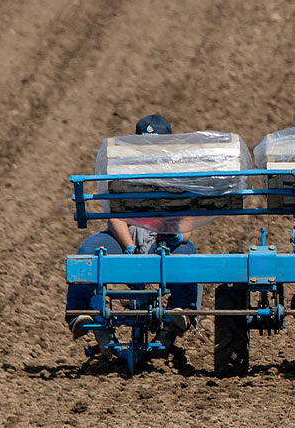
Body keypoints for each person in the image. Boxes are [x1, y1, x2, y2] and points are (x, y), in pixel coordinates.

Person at [67, 114, 200, 341]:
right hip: (124, 236)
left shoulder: (179, 175)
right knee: (89, 250)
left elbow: (187, 220)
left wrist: (177, 237)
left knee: (186, 256)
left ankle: (180, 313)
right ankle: (83, 314)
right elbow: (116, 216)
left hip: (163, 239)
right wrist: (130, 247)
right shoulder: (123, 170)